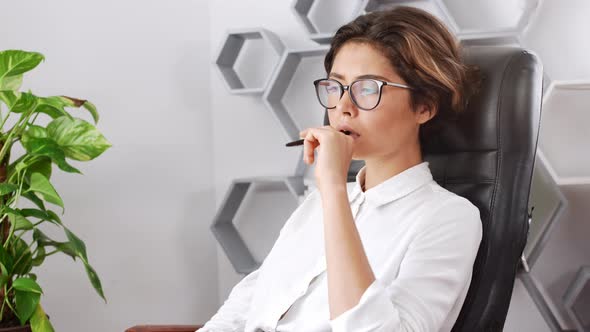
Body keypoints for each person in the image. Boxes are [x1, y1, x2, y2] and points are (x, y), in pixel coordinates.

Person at [201, 6, 482, 332]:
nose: (343, 108)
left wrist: (333, 186)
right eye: (335, 88)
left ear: (424, 105)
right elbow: (246, 304)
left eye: (367, 89)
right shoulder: (318, 202)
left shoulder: (448, 217)